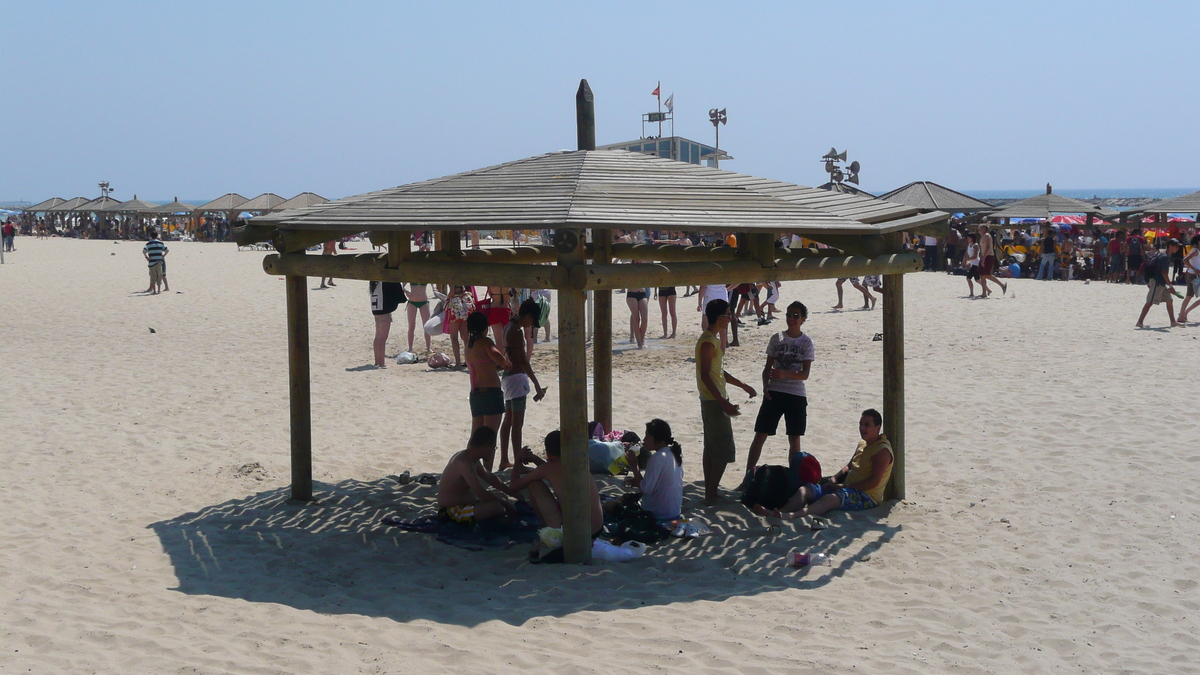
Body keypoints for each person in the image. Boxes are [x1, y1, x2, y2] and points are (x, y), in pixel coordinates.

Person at [753, 408, 893, 520]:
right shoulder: (862, 444)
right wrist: (832, 480)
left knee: (829, 499)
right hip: (847, 488)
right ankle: (778, 513)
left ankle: (790, 516)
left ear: (877, 428)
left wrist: (842, 486)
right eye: (861, 424)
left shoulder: (882, 451)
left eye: (867, 425)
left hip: (866, 496)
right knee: (806, 490)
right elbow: (849, 466)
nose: (862, 428)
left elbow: (873, 482)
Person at [740, 301, 814, 489]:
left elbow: (805, 374)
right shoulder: (777, 338)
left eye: (796, 316)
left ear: (803, 319)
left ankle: (794, 483)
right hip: (774, 393)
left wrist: (784, 374)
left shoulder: (806, 342)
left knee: (794, 439)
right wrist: (765, 386)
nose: (791, 319)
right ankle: (748, 479)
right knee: (760, 435)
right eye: (789, 314)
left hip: (796, 395)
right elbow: (766, 369)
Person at [696, 299, 757, 505]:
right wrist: (723, 403)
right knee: (721, 450)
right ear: (720, 317)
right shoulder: (707, 341)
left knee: (711, 448)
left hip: (714, 399)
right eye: (729, 314)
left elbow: (718, 372)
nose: (731, 318)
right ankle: (710, 494)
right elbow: (705, 375)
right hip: (713, 401)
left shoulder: (711, 339)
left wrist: (742, 385)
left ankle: (709, 491)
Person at [509, 430, 604, 536]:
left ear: (548, 453)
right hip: (597, 527)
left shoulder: (548, 468)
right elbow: (550, 470)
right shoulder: (577, 461)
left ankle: (551, 528)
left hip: (576, 533)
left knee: (534, 485)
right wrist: (535, 459)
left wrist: (517, 461)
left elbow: (514, 486)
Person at [498, 299, 548, 471]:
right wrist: (537, 385)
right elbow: (522, 361)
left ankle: (504, 459)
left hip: (508, 377)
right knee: (517, 424)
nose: (530, 325)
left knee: (508, 421)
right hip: (517, 378)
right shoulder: (516, 332)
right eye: (531, 321)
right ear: (527, 316)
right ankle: (517, 461)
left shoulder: (508, 327)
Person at [436, 425, 518, 526]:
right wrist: (506, 504)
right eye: (494, 447)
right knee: (495, 507)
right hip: (451, 511)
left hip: (466, 505)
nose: (493, 451)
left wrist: (513, 493)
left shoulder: (472, 459)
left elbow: (490, 478)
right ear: (486, 447)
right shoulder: (464, 463)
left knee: (501, 497)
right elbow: (482, 494)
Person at [464, 311, 511, 466]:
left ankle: (468, 467)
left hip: (476, 393)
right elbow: (501, 360)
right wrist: (507, 362)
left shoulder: (469, 345)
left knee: (475, 436)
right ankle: (487, 472)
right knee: (490, 437)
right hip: (490, 392)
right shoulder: (485, 341)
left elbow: (484, 365)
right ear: (485, 327)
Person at [622, 419, 684, 521]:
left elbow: (646, 490)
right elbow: (661, 484)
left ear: (658, 440)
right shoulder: (674, 454)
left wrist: (634, 466)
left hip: (658, 514)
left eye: (648, 437)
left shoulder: (657, 457)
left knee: (613, 505)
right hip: (673, 512)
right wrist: (638, 482)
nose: (644, 440)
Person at [1136, 238, 1182, 329]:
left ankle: (1173, 322)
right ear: (1170, 246)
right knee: (1150, 302)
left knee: (1169, 300)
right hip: (1157, 282)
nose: (1177, 248)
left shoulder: (1162, 255)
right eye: (1176, 246)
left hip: (1160, 282)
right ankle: (1139, 322)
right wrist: (1171, 285)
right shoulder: (1164, 257)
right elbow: (1163, 272)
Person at [369, 280, 407, 367]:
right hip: (384, 310)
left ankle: (377, 361)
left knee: (377, 337)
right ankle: (382, 363)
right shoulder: (385, 280)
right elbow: (396, 291)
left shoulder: (374, 280)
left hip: (376, 308)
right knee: (382, 338)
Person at [445, 285, 477, 368]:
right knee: (465, 336)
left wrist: (447, 299)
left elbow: (452, 292)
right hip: (465, 303)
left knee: (454, 336)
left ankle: (458, 363)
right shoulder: (463, 274)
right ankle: (468, 361)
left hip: (456, 304)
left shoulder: (452, 276)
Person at [977, 225, 1007, 297]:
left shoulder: (987, 236)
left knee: (987, 274)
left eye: (980, 228)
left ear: (984, 229)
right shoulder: (982, 236)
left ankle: (1002, 285)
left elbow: (988, 247)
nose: (978, 229)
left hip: (988, 256)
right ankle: (984, 293)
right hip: (983, 257)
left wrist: (984, 258)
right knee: (982, 275)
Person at [697, 283, 730, 349]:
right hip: (722, 295)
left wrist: (699, 302)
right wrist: (728, 289)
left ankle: (712, 343)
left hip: (710, 297)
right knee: (722, 326)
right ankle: (722, 348)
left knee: (706, 325)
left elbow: (702, 287)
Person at [1176, 235, 1200, 323]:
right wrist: (1194, 269)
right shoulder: (1195, 250)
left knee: (1189, 296)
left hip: (1191, 275)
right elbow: (1185, 260)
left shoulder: (1196, 251)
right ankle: (1184, 313)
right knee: (1189, 296)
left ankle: (1182, 315)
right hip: (1194, 276)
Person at [404, 282, 433, 353]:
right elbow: (401, 285)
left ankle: (428, 348)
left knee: (427, 326)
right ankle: (410, 348)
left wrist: (434, 288)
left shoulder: (425, 275)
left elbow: (433, 281)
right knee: (411, 326)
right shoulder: (411, 275)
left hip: (424, 302)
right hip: (412, 302)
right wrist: (405, 291)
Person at [142, 230, 168, 295]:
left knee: (152, 276)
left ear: (151, 236)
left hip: (151, 262)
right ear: (157, 236)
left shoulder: (148, 244)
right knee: (159, 275)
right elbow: (167, 250)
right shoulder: (161, 243)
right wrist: (163, 256)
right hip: (159, 261)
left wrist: (146, 257)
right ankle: (159, 290)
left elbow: (144, 251)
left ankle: (154, 291)